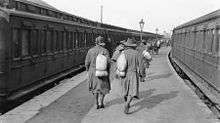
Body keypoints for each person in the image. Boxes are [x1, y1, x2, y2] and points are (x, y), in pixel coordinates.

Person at [85, 36, 111, 109]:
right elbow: (108, 62)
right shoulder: (105, 51)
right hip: (102, 72)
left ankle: (96, 103)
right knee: (103, 88)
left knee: (95, 88)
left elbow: (87, 62)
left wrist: (88, 70)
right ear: (102, 43)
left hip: (93, 72)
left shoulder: (90, 51)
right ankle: (101, 103)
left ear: (96, 43)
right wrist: (107, 70)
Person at [120, 38, 139, 114]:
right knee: (132, 90)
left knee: (125, 90)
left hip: (124, 74)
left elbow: (119, 63)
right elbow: (140, 65)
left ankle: (126, 99)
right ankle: (127, 103)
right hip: (133, 73)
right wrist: (142, 74)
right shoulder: (136, 53)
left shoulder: (123, 53)